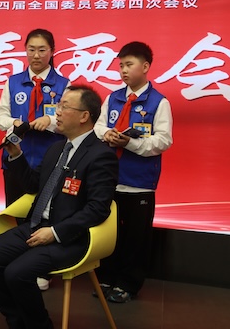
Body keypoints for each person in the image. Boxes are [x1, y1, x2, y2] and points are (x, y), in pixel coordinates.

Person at [0, 85, 118, 329]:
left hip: (69, 237)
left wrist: (54, 232)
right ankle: (17, 322)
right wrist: (16, 155)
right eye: (58, 105)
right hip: (36, 225)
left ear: (84, 116)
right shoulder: (56, 148)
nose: (57, 112)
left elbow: (98, 209)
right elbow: (34, 184)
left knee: (17, 273)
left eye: (64, 106)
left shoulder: (100, 155)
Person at [94, 41, 173, 303]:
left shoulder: (159, 102)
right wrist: (107, 133)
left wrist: (131, 143)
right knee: (109, 232)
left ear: (146, 66)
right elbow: (98, 126)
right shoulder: (113, 98)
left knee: (135, 238)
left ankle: (128, 284)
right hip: (109, 179)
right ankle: (106, 277)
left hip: (139, 182)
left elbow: (163, 140)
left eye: (129, 65)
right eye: (121, 66)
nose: (124, 71)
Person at [0, 29, 69, 291]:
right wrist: (14, 123)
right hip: (16, 158)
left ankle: (41, 268)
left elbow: (69, 121)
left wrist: (50, 121)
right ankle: (16, 263)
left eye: (42, 50)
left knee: (45, 218)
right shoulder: (13, 82)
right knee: (16, 213)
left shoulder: (64, 84)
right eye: (31, 49)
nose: (36, 55)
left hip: (51, 162)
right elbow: (0, 117)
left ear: (52, 52)